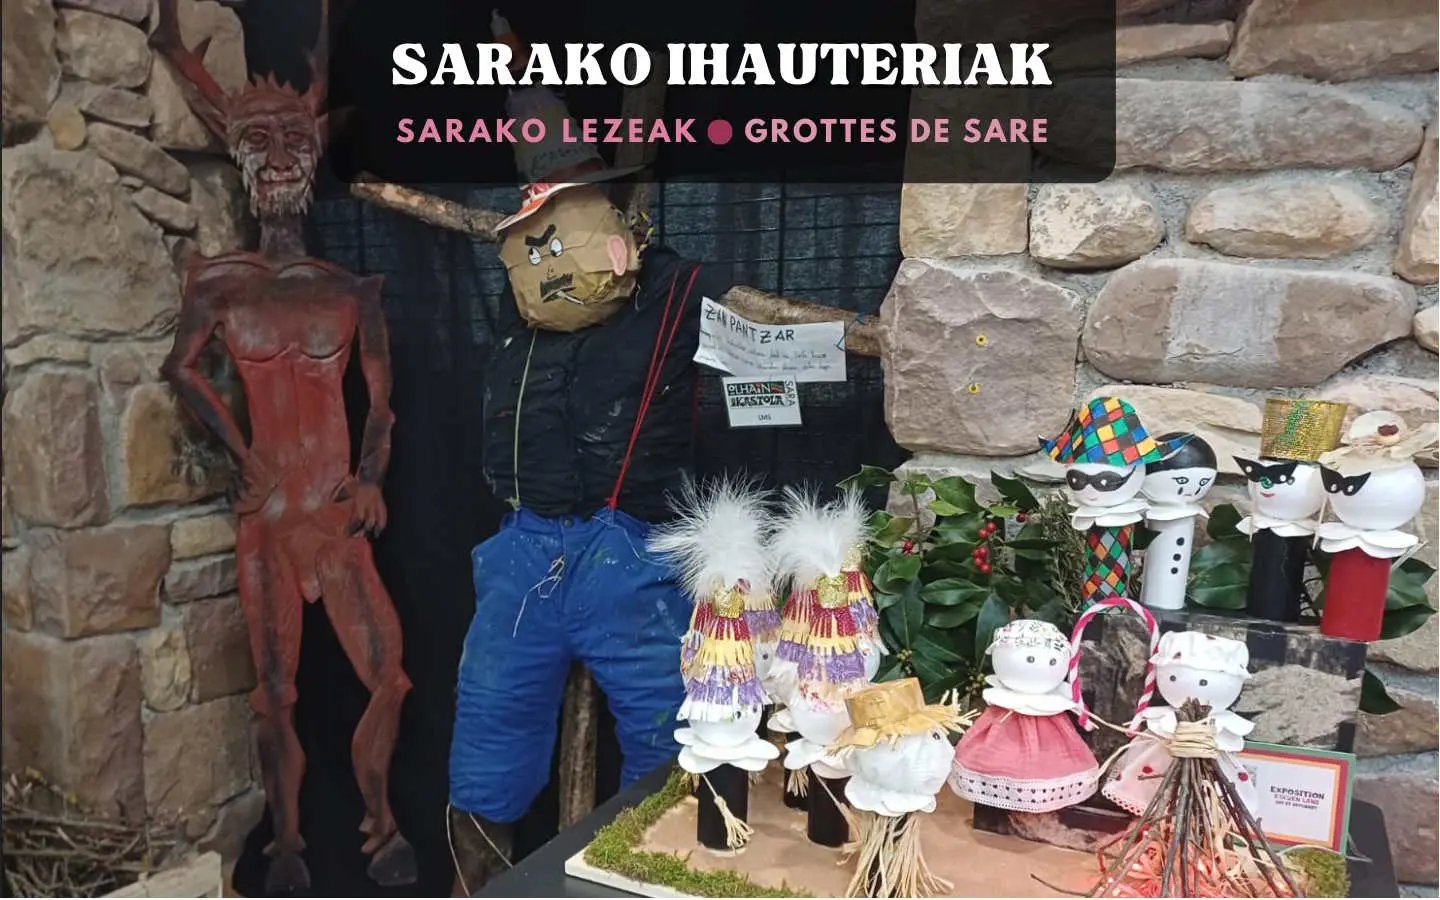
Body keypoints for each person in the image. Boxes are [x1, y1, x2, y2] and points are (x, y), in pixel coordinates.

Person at [445, 83, 734, 895]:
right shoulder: (520, 314)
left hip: (630, 557)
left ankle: (649, 877)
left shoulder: (669, 290)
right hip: (523, 553)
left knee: (671, 743)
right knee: (487, 735)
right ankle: (477, 884)